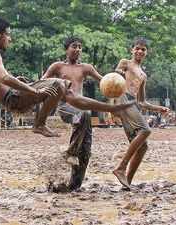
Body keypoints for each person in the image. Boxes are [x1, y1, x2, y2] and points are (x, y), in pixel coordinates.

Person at [0, 17, 133, 137]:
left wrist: (28, 85)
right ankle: (39, 124)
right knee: (60, 85)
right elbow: (4, 78)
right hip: (14, 99)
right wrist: (34, 90)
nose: (9, 39)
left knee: (64, 88)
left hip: (15, 96)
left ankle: (111, 109)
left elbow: (2, 79)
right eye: (8, 35)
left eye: (80, 47)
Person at [41, 37, 105, 190]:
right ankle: (70, 152)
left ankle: (73, 186)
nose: (77, 49)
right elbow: (42, 82)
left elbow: (103, 81)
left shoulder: (86, 68)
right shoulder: (57, 66)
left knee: (86, 149)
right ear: (66, 49)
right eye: (74, 46)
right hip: (65, 107)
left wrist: (117, 80)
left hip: (82, 109)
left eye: (80, 47)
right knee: (86, 114)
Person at [112, 37, 170, 189]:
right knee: (145, 130)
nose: (139, 51)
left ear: (146, 52)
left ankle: (127, 183)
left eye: (143, 49)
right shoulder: (125, 63)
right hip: (122, 98)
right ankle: (120, 168)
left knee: (143, 147)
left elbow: (142, 102)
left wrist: (159, 109)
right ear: (132, 50)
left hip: (133, 104)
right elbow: (113, 81)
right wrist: (113, 105)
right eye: (137, 48)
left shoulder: (143, 75)